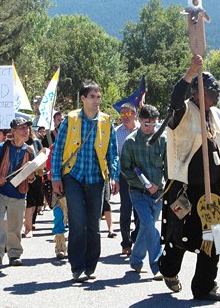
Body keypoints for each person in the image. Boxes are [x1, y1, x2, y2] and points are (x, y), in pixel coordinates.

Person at [157, 55, 220, 301]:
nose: (212, 97)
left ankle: (204, 287)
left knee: (215, 236)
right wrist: (190, 72)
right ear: (197, 92)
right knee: (182, 236)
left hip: (215, 189)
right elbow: (175, 98)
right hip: (186, 188)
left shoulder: (216, 115)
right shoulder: (184, 111)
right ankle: (168, 269)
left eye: (214, 93)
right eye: (208, 92)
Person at [51, 80, 119, 282]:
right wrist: (56, 177)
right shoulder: (71, 119)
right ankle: (77, 267)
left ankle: (91, 266)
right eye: (92, 96)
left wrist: (114, 176)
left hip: (97, 178)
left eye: (99, 96)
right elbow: (58, 150)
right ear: (83, 98)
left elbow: (113, 153)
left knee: (93, 225)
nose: (97, 100)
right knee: (77, 222)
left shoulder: (106, 121)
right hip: (73, 176)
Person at [120, 104, 166, 280]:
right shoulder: (131, 141)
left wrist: (164, 185)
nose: (150, 128)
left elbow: (167, 166)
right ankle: (158, 265)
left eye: (154, 124)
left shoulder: (162, 139)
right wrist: (144, 183)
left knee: (146, 228)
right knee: (149, 226)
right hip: (138, 193)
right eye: (147, 124)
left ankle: (136, 260)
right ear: (139, 121)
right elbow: (126, 169)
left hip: (158, 194)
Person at [0, 117, 37, 267]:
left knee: (15, 225)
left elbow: (33, 177)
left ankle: (14, 254)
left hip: (19, 193)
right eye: (21, 128)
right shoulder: (2, 148)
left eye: (27, 127)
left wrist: (32, 175)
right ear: (13, 131)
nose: (25, 130)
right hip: (0, 192)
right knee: (0, 220)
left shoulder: (29, 150)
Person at [115, 102, 140, 255]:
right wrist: (115, 178)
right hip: (124, 176)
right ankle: (126, 243)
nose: (124, 116)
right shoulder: (117, 132)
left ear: (135, 114)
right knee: (125, 210)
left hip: (141, 177)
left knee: (140, 210)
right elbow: (115, 157)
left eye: (127, 113)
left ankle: (136, 237)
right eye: (122, 114)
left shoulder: (142, 130)